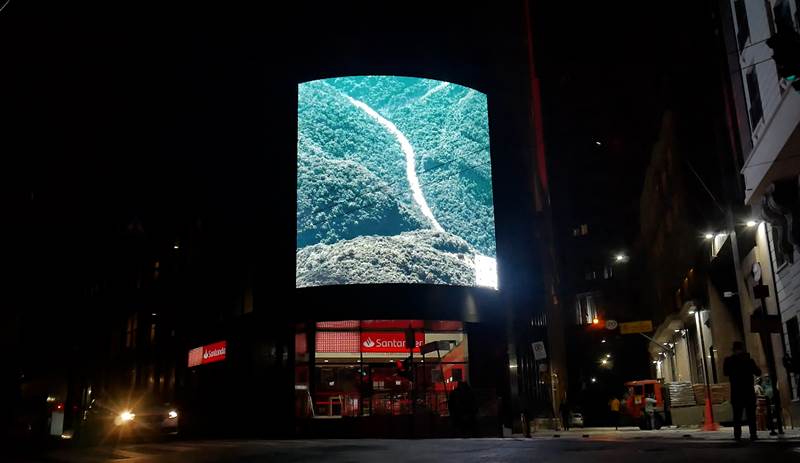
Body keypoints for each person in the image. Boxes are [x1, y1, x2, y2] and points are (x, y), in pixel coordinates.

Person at [723, 341, 761, 441]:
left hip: (736, 392)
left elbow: (725, 372)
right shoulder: (748, 360)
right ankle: (753, 434)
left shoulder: (729, 361)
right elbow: (758, 372)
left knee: (737, 416)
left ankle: (737, 435)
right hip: (748, 391)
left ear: (733, 350)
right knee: (751, 415)